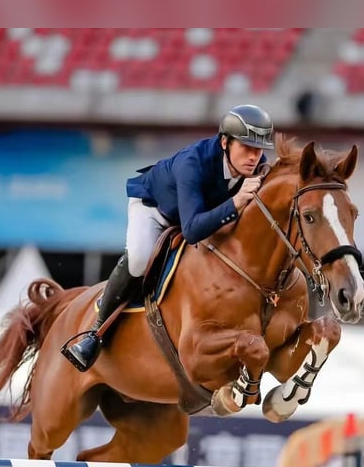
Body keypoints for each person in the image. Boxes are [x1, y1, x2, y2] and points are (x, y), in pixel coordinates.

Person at [62, 104, 275, 372]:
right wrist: (236, 202)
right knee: (139, 261)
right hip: (156, 210)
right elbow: (192, 230)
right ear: (224, 142)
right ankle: (95, 333)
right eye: (246, 147)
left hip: (198, 215)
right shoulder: (192, 163)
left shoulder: (256, 168)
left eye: (259, 150)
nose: (254, 157)